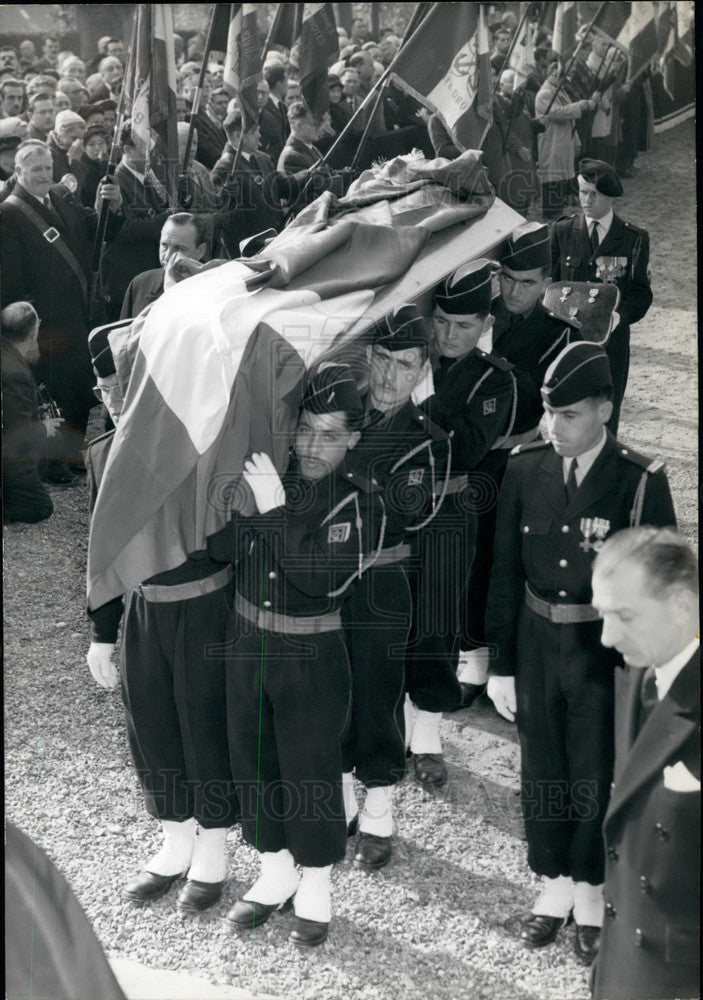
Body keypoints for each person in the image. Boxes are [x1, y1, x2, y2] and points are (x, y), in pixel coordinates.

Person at [485, 342, 676, 966]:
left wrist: (651, 679)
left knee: (595, 773)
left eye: (569, 414)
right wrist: (502, 663)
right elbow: (504, 573)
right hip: (538, 642)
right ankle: (554, 883)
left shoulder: (637, 480)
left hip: (603, 653)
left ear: (604, 408)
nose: (553, 427)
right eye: (548, 413)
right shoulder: (524, 466)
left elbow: (661, 585)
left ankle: (592, 891)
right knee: (541, 765)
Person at [209, 366, 382, 947]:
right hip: (247, 642)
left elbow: (319, 581)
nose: (312, 446)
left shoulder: (361, 501)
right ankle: (274, 871)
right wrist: (242, 501)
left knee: (308, 768)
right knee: (255, 762)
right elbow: (219, 548)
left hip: (310, 654)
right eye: (306, 429)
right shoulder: (271, 477)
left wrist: (273, 511)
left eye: (330, 434)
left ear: (354, 438)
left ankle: (315, 884)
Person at [85, 329, 239, 915]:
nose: (114, 398)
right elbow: (104, 551)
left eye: (124, 385)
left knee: (204, 723)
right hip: (147, 613)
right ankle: (175, 840)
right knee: (150, 723)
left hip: (205, 607)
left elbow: (232, 542)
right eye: (103, 388)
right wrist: (103, 631)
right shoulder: (102, 452)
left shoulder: (199, 442)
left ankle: (214, 849)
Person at [341, 306, 449, 869]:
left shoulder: (427, 441)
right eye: (380, 359)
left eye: (403, 365)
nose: (387, 378)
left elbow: (403, 516)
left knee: (379, 694)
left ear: (421, 370)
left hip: (384, 581)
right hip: (326, 579)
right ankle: (339, 802)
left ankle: (379, 808)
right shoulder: (337, 410)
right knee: (331, 689)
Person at [405, 260, 516, 788]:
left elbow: (466, 450)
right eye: (442, 322)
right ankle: (384, 727)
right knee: (383, 620)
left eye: (464, 326)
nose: (449, 335)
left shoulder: (496, 381)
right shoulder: (406, 353)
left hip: (448, 513)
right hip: (392, 509)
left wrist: (419, 402)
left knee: (435, 622)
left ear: (485, 326)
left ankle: (426, 733)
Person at [458, 223, 580, 704]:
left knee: (508, 561)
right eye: (507, 277)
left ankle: (504, 663)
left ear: (547, 283)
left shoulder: (560, 338)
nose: (513, 290)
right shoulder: (475, 320)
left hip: (524, 465)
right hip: (469, 459)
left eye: (526, 281)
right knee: (466, 555)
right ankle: (473, 657)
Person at [590, 527, 699, 1000]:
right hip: (623, 959)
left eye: (625, 616)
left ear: (680, 605)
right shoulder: (640, 672)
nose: (607, 637)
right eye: (601, 615)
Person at [0, 140, 123, 466]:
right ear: (19, 171)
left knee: (79, 391)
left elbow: (98, 231)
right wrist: (25, 328)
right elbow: (10, 279)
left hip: (77, 312)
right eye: (36, 169)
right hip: (45, 320)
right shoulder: (9, 212)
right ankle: (54, 465)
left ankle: (71, 457)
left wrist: (112, 206)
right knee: (55, 393)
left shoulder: (60, 197)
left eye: (47, 169)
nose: (43, 175)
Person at [551, 158, 652, 437]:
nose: (587, 199)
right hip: (567, 340)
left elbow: (641, 293)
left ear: (610, 196)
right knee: (567, 413)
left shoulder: (633, 239)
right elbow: (550, 285)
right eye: (583, 192)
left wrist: (619, 316)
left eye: (594, 193)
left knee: (605, 417)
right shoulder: (562, 231)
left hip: (611, 344)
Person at [1, 302, 67, 522]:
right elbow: (14, 433)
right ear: (33, 331)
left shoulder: (7, 354)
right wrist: (43, 427)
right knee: (40, 508)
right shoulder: (16, 374)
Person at [99, 121, 172, 320]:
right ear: (127, 150)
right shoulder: (112, 183)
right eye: (144, 147)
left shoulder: (146, 177)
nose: (151, 152)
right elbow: (123, 230)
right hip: (125, 279)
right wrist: (167, 218)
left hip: (145, 273)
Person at [210, 109, 286, 255]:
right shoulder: (224, 167)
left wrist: (306, 176)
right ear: (239, 136)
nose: (260, 135)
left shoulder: (262, 158)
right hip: (250, 251)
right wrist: (226, 193)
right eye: (255, 131)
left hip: (274, 242)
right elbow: (219, 209)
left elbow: (280, 186)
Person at [535, 58, 598, 218]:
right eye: (557, 75)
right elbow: (558, 113)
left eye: (562, 76)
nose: (560, 79)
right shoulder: (544, 93)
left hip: (564, 139)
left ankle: (558, 207)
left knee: (562, 174)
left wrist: (576, 140)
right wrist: (582, 105)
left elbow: (571, 120)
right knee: (552, 174)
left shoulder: (560, 91)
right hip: (552, 140)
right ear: (550, 74)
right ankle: (550, 211)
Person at [120, 213, 209, 318]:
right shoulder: (140, 285)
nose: (167, 256)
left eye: (180, 248)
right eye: (164, 245)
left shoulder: (215, 291)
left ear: (201, 251)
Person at [277, 101, 350, 211]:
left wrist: (341, 173)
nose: (319, 128)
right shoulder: (291, 156)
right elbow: (309, 194)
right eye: (315, 124)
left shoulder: (310, 147)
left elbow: (325, 174)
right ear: (299, 126)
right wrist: (341, 180)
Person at [259, 64, 290, 165]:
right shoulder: (264, 105)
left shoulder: (281, 106)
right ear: (279, 83)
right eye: (286, 81)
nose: (288, 85)